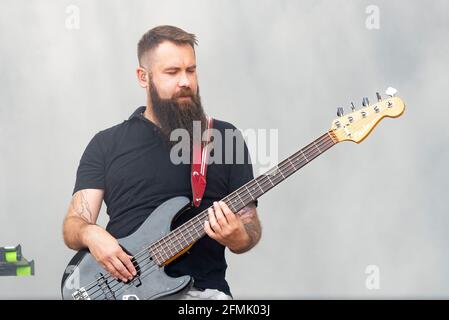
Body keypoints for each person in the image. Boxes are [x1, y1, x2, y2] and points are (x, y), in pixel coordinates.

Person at [62, 25, 262, 300]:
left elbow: (249, 228)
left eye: (190, 70)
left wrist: (238, 235)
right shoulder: (107, 144)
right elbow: (74, 223)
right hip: (126, 292)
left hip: (203, 293)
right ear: (143, 77)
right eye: (172, 72)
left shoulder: (225, 138)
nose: (185, 82)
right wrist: (91, 234)